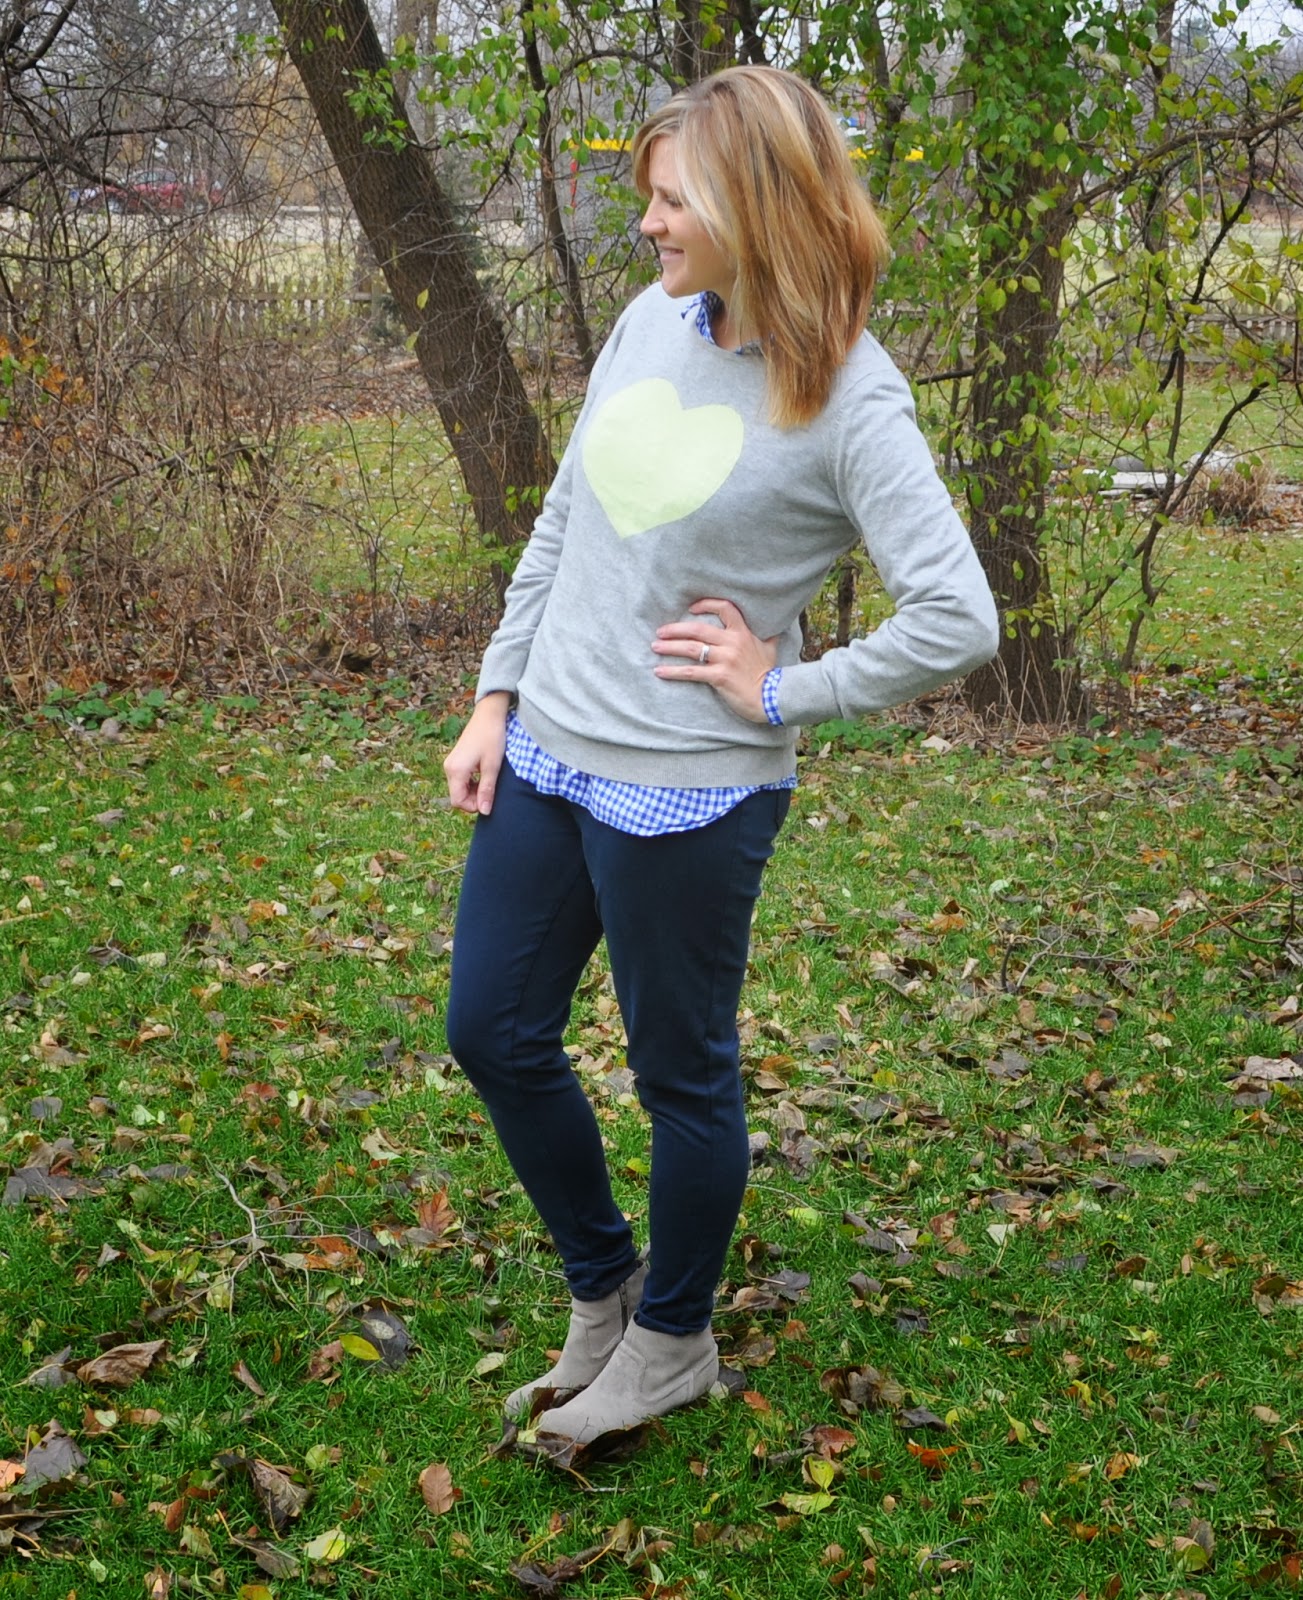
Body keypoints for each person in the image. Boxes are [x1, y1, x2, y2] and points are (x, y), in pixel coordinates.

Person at [442, 64, 999, 1450]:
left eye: (673, 199)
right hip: (549, 748)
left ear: (759, 206)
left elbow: (959, 615)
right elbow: (567, 518)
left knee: (679, 1075)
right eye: (649, 198)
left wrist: (787, 686)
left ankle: (674, 1341)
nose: (648, 223)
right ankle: (603, 1297)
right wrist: (496, 694)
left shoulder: (851, 398)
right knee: (492, 1030)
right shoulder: (652, 318)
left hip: (688, 787)